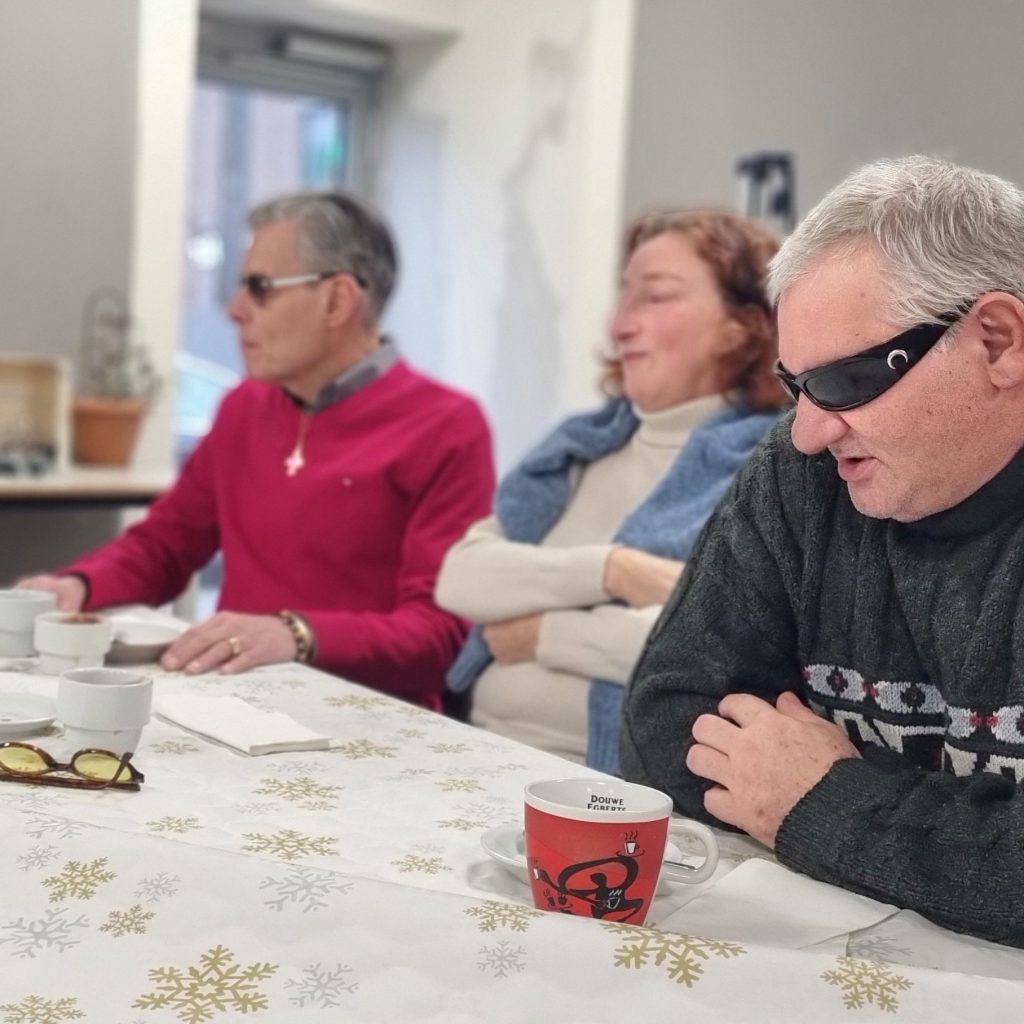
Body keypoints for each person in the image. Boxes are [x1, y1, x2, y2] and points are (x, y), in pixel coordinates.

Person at [620, 155, 1024, 949]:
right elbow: (664, 729)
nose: (809, 431)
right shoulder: (801, 474)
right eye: (794, 386)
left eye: (844, 381)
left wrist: (825, 798)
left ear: (1000, 342)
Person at [20, 191, 495, 711]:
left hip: (372, 725)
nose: (234, 310)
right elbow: (166, 544)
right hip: (235, 705)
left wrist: (295, 635)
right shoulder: (243, 408)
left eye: (259, 288)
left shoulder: (447, 425)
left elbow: (442, 637)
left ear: (337, 301)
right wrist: (79, 588)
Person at [437, 209, 787, 772]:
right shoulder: (582, 443)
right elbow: (462, 577)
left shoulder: (768, 470)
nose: (620, 325)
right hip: (469, 751)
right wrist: (614, 571)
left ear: (742, 326)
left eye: (655, 297)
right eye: (624, 298)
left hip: (605, 791)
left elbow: (719, 658)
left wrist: (543, 633)